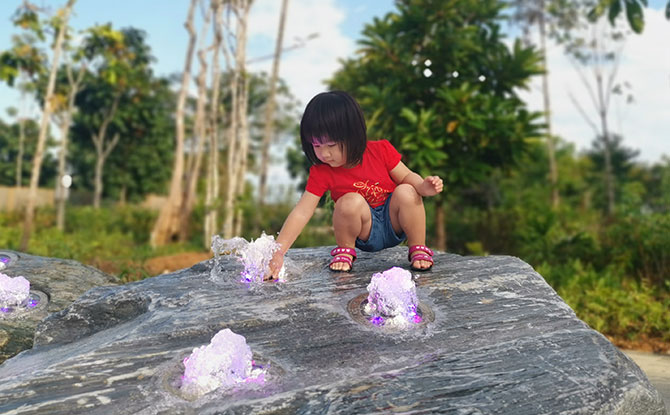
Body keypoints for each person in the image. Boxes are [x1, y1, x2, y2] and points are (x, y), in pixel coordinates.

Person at [265, 90, 443, 280]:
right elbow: (302, 212)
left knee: (407, 191)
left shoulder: (380, 150)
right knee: (349, 200)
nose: (324, 154)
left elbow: (407, 176)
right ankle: (345, 250)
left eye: (331, 145)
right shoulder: (322, 171)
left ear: (353, 135)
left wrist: (424, 187)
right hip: (363, 230)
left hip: (394, 222)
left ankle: (418, 247)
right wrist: (278, 252)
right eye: (316, 145)